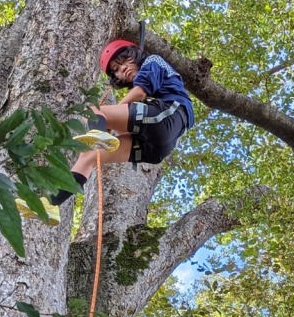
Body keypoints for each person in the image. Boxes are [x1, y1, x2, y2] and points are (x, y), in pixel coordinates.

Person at [16, 38, 195, 226]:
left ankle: (97, 133)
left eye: (124, 61)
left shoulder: (153, 61)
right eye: (116, 70)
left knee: (93, 111)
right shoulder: (145, 99)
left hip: (170, 114)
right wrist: (109, 122)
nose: (122, 70)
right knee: (88, 157)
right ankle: (51, 204)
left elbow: (140, 91)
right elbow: (121, 125)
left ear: (135, 54)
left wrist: (106, 117)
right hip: (155, 146)